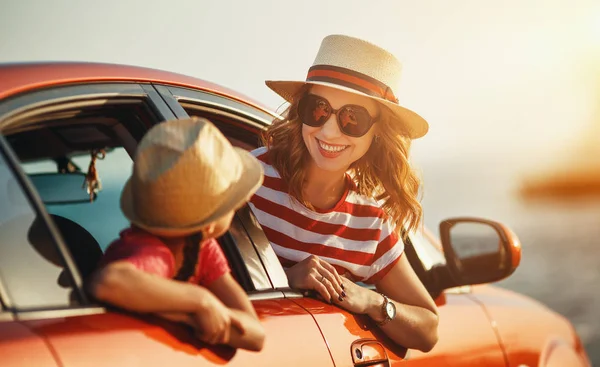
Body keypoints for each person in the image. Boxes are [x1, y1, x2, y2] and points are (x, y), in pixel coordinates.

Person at [249, 35, 438, 352]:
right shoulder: (249, 178)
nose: (329, 131)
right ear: (301, 111)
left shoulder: (371, 224)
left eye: (353, 118)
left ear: (378, 132)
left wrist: (371, 300)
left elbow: (428, 330)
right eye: (318, 109)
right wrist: (286, 278)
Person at [88, 117, 265, 351]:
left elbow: (256, 336)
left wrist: (187, 316)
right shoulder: (152, 252)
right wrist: (200, 301)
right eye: (232, 205)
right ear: (209, 225)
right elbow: (108, 281)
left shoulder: (204, 250)